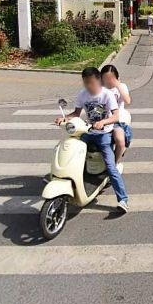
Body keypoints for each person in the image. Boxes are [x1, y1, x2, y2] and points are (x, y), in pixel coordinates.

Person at [57, 67, 129, 213]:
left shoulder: (107, 95)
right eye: (85, 83)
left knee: (110, 166)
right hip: (87, 131)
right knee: (67, 149)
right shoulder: (82, 95)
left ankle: (123, 200)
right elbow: (76, 113)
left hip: (104, 135)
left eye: (91, 82)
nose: (88, 86)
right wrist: (64, 118)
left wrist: (103, 122)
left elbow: (115, 116)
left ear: (98, 81)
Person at [101, 64, 132, 166]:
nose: (108, 81)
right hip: (101, 119)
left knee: (120, 141)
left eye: (111, 78)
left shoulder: (121, 87)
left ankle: (114, 164)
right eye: (105, 78)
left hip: (116, 120)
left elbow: (127, 100)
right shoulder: (100, 89)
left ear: (118, 78)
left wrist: (118, 85)